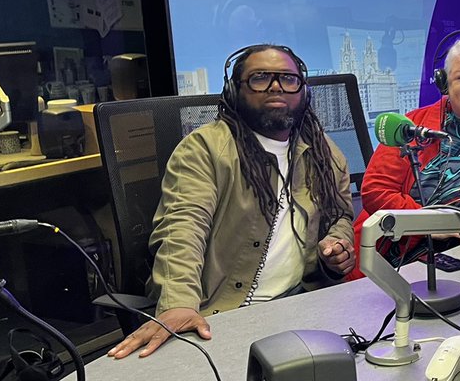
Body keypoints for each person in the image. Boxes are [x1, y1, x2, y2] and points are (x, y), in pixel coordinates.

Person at [109, 44, 355, 359]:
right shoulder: (205, 150)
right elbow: (183, 230)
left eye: (288, 79)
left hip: (299, 308)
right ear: (235, 90)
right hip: (221, 315)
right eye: (260, 78)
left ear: (303, 90)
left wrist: (336, 246)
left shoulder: (324, 152)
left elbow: (340, 217)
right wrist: (179, 303)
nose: (276, 86)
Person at [351, 35, 460, 271]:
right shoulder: (411, 127)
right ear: (445, 83)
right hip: (402, 260)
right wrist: (428, 222)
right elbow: (375, 190)